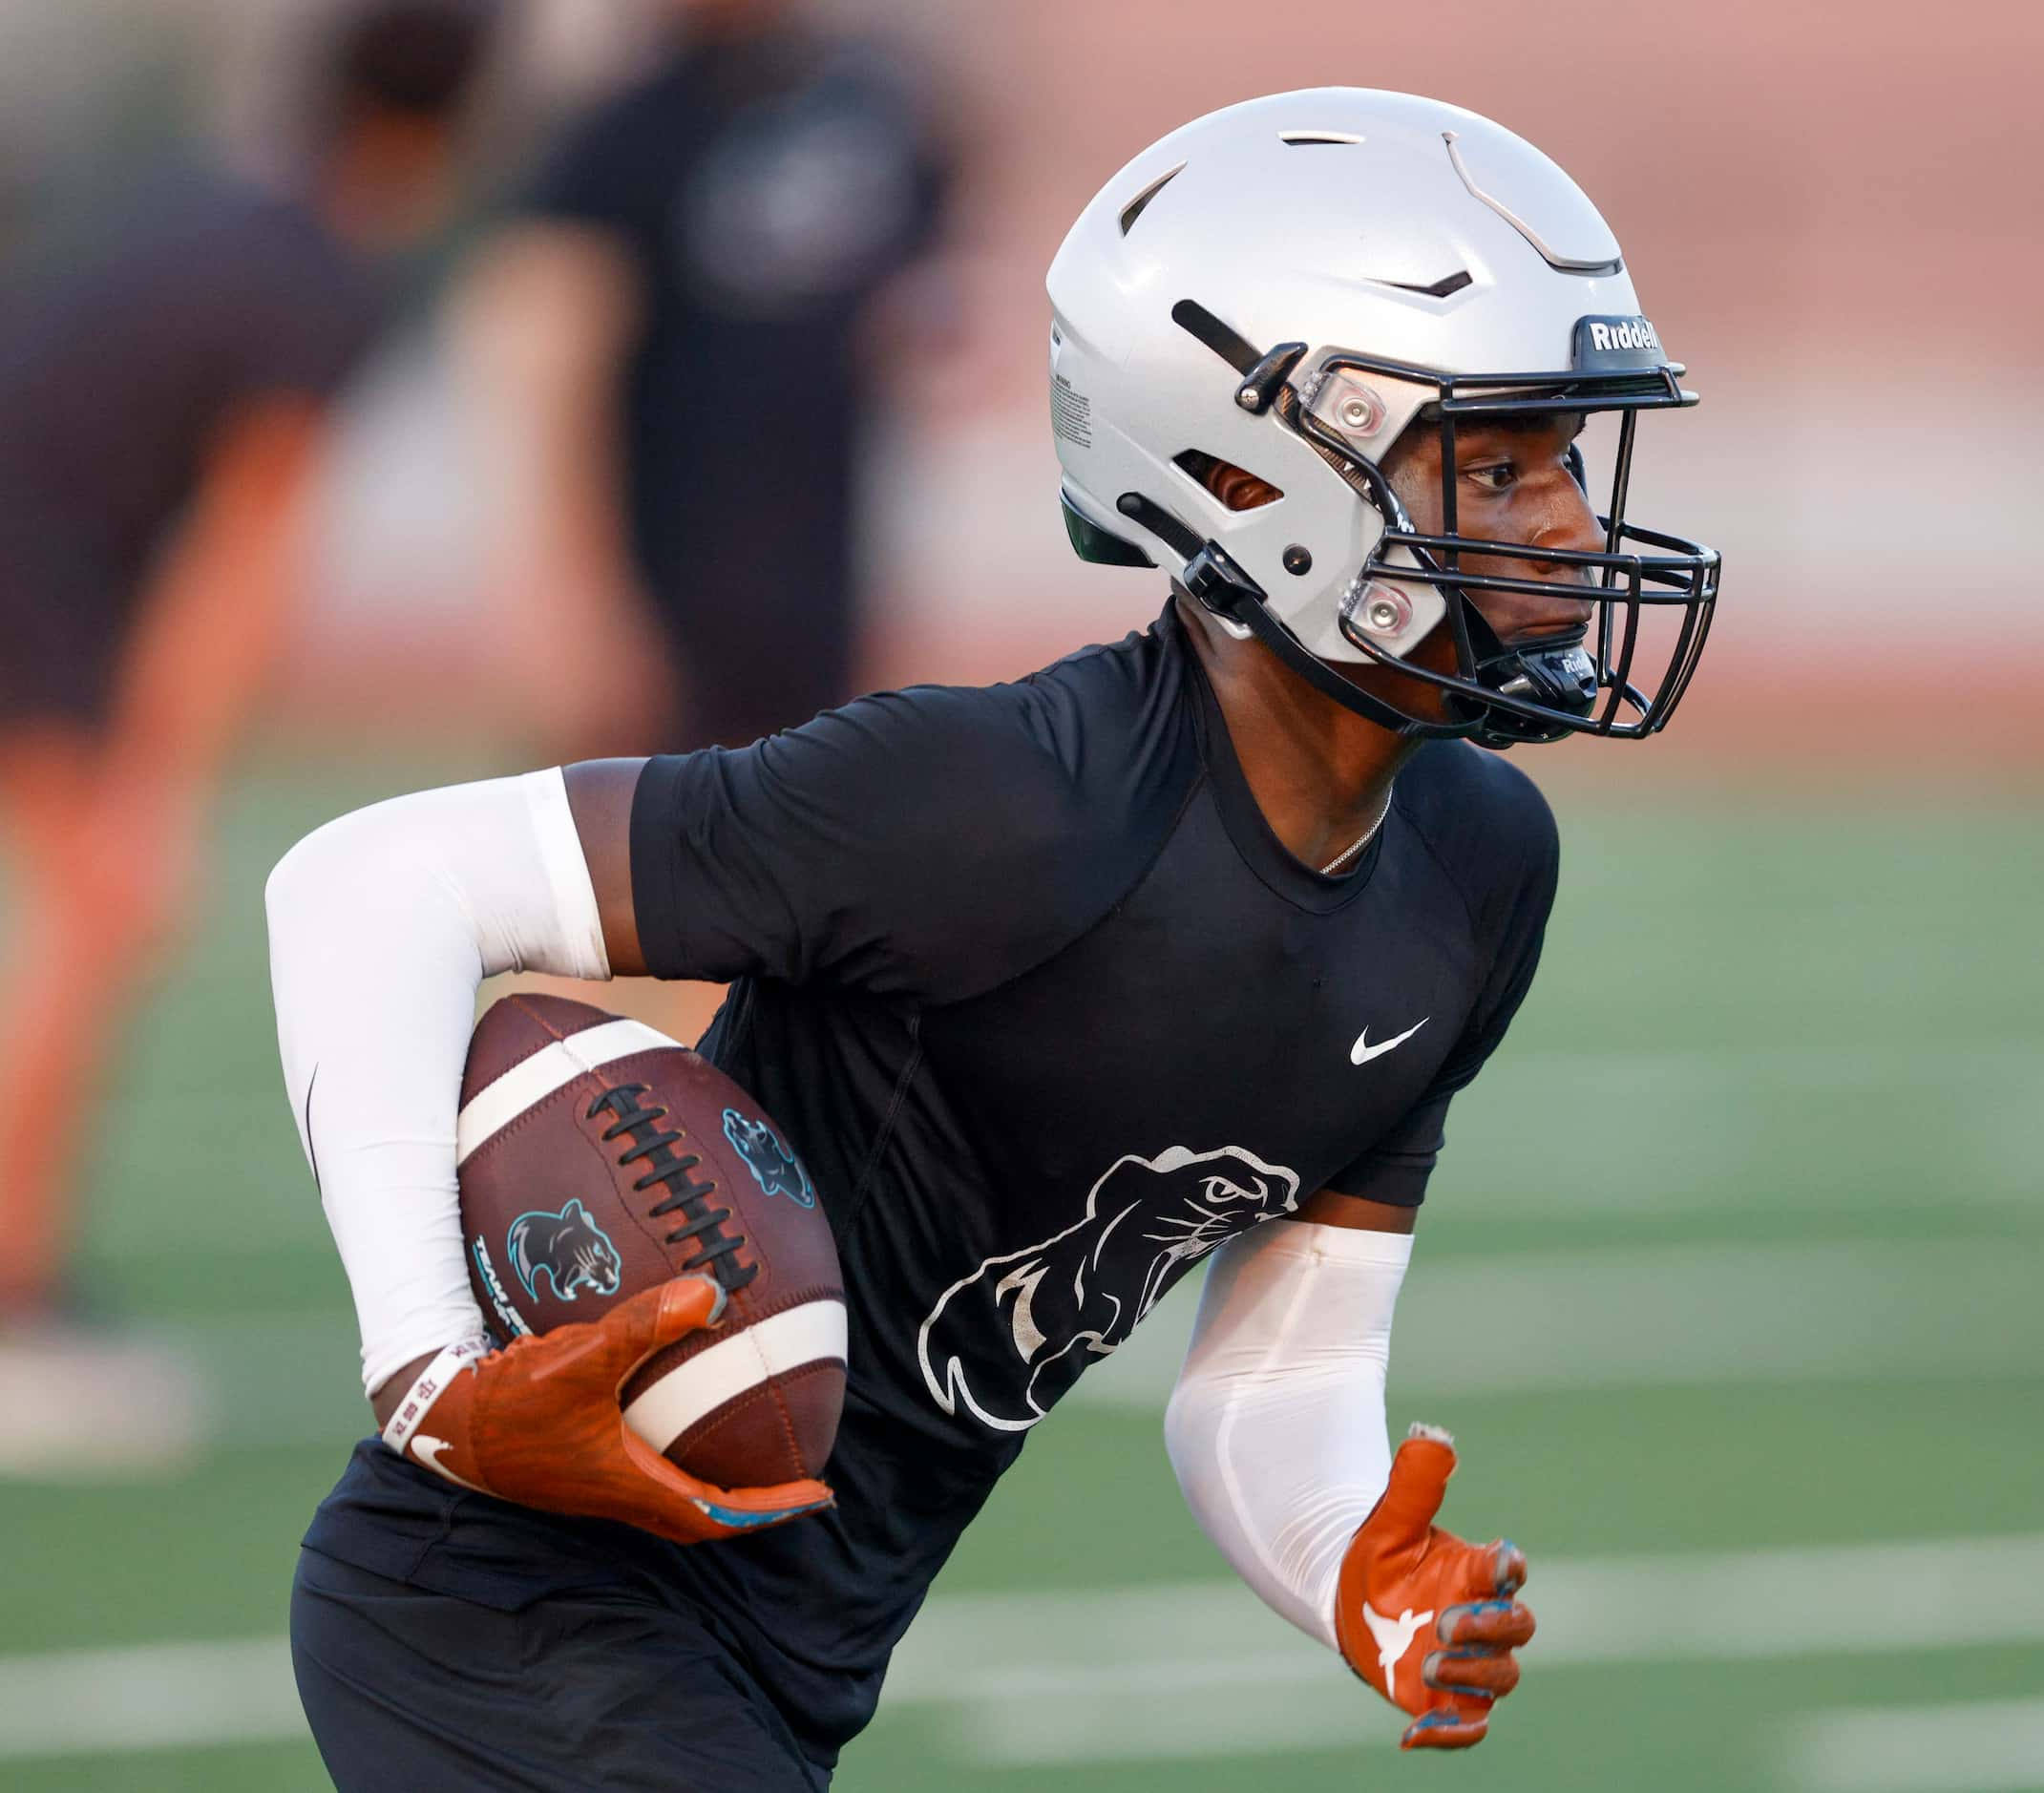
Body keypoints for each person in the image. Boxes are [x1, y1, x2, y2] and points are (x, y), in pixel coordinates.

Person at [265, 89, 1721, 1783]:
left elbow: (1282, 1365)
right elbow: (368, 881)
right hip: (504, 1611)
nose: (1568, 530)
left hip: (779, 1661)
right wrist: (435, 1367)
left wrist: (1346, 1560)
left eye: (1566, 459)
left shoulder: (1476, 868)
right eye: (1504, 462)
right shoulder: (1001, 799)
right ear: (1251, 469)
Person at [0, 0, 495, 1471]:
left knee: (79, 926)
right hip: (38, 582)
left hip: (40, 559)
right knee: (93, 923)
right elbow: (241, 559)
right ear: (454, 135)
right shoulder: (324, 280)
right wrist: (153, 782)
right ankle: (13, 1288)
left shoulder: (215, 210)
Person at [463, 0, 957, 763]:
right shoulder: (619, 132)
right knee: (630, 858)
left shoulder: (874, 111)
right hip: (662, 590)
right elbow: (545, 375)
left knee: (816, 855)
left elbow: (920, 316)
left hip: (819, 588)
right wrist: (571, 604)